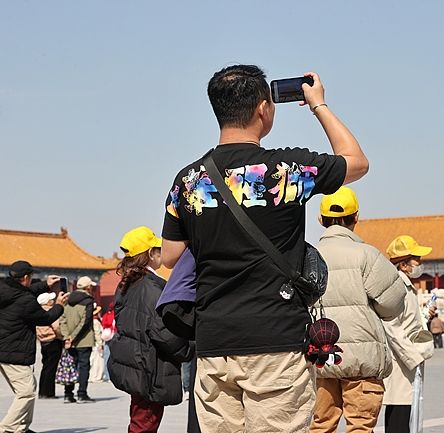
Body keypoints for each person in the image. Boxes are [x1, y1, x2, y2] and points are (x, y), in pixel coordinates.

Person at [160, 65, 368, 432]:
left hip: (214, 342)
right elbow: (356, 162)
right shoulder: (288, 169)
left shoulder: (189, 180)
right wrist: (318, 104)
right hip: (276, 338)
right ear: (263, 108)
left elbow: (170, 255)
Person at [309, 187, 407, 433]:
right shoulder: (368, 255)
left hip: (319, 356)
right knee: (360, 426)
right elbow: (393, 303)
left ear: (321, 220)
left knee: (320, 425)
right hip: (362, 357)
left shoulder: (306, 257)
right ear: (356, 217)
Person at [108, 226, 193, 433]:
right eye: (158, 249)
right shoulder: (152, 289)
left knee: (138, 418)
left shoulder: (126, 285)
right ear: (150, 254)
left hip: (134, 362)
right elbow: (164, 332)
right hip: (150, 366)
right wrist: (189, 348)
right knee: (145, 423)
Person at [0, 261, 66, 433]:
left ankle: (21, 427)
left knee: (28, 388)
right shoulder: (25, 300)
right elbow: (45, 318)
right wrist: (59, 305)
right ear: (26, 277)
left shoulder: (5, 289)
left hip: (5, 348)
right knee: (26, 393)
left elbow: (24, 293)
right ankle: (7, 428)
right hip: (15, 350)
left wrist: (45, 285)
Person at [383, 235, 435, 433]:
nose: (420, 264)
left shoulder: (406, 286)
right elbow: (392, 326)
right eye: (416, 260)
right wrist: (412, 356)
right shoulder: (397, 287)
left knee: (405, 415)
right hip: (401, 361)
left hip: (407, 361)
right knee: (399, 417)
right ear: (404, 265)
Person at [59, 276, 96, 403]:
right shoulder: (88, 301)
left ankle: (68, 394)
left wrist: (67, 337)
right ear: (88, 287)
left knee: (70, 366)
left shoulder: (67, 300)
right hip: (84, 339)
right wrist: (73, 337)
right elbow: (85, 322)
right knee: (84, 366)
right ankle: (82, 393)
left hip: (69, 341)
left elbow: (62, 320)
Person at [35, 292, 63, 399]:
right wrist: (62, 337)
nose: (53, 301)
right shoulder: (51, 312)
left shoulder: (38, 312)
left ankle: (42, 391)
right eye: (51, 299)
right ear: (47, 302)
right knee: (52, 367)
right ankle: (49, 392)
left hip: (43, 341)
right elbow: (56, 327)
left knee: (45, 366)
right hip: (53, 340)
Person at [88, 304, 105, 383]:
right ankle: (96, 376)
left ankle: (92, 376)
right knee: (97, 361)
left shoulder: (90, 321)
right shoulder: (95, 322)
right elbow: (97, 333)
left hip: (92, 342)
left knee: (93, 360)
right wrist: (100, 343)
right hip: (96, 343)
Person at [100, 302, 116, 381]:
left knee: (106, 356)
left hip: (106, 336)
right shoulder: (115, 315)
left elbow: (103, 324)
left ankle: (106, 375)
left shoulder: (105, 315)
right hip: (114, 335)